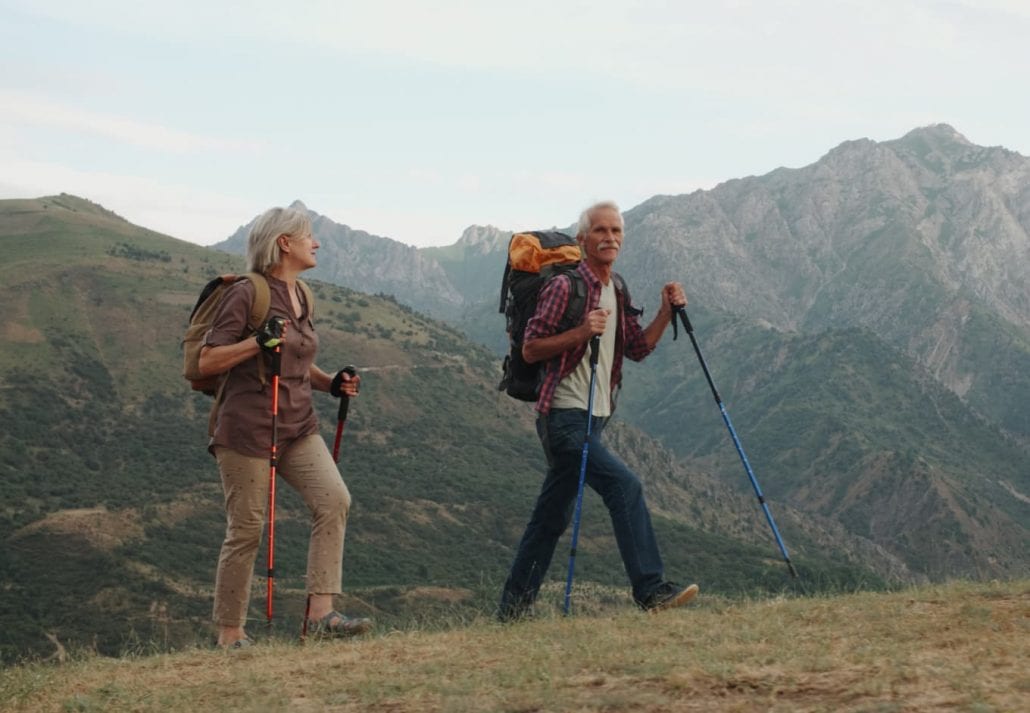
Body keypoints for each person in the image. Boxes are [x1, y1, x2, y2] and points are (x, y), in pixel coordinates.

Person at [498, 200, 699, 620]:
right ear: (582, 240)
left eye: (616, 232)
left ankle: (511, 612)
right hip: (564, 418)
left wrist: (666, 310)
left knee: (550, 519)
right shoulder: (565, 287)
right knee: (625, 487)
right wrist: (581, 331)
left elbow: (638, 348)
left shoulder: (617, 288)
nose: (609, 238)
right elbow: (531, 348)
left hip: (595, 418)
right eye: (600, 231)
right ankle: (650, 590)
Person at [198, 206, 370, 648]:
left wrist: (330, 382)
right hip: (247, 429)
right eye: (308, 236)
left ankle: (321, 615)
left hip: (296, 424)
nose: (316, 243)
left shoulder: (304, 296)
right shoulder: (247, 294)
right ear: (283, 244)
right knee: (247, 527)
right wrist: (257, 342)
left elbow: (296, 361)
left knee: (334, 499)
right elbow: (208, 360)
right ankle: (231, 634)